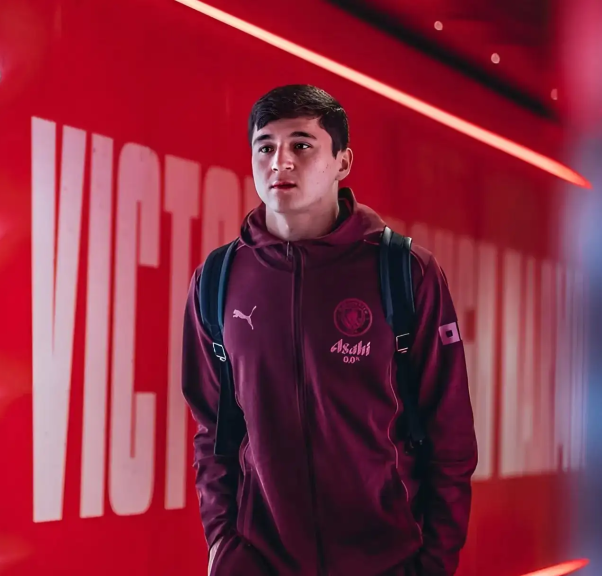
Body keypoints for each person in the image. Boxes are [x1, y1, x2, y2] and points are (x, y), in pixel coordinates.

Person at [181, 84, 478, 576]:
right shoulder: (218, 279)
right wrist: (224, 547)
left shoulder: (405, 272)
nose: (280, 161)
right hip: (260, 563)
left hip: (387, 562)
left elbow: (450, 438)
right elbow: (212, 432)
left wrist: (433, 564)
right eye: (265, 147)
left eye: (302, 144)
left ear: (343, 162)